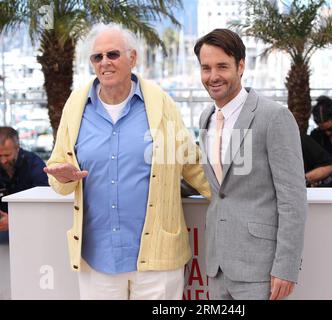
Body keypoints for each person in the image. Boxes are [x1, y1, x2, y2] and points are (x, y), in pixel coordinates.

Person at [44, 23, 210, 300]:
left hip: (158, 259)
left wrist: (234, 196)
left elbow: (190, 163)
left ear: (132, 58)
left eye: (113, 54)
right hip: (97, 259)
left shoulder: (160, 103)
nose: (105, 63)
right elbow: (58, 174)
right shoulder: (76, 106)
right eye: (98, 57)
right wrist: (62, 177)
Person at [194, 29, 307, 300]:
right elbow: (219, 187)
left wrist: (286, 267)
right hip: (217, 267)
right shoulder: (206, 118)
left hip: (261, 269)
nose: (213, 76)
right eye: (206, 68)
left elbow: (293, 199)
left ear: (241, 66)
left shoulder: (274, 117)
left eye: (222, 66)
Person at [0, 126, 48, 243]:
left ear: (17, 148)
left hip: (33, 230)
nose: (3, 161)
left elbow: (46, 205)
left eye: (7, 155)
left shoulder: (35, 166)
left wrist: (15, 221)